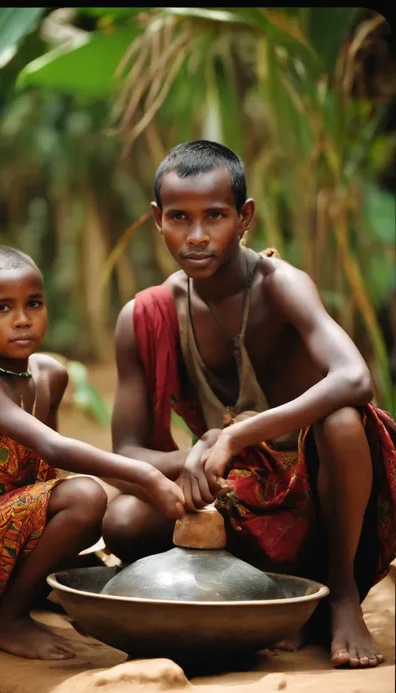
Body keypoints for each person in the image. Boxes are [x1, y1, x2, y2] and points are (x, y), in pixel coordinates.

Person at [102, 140, 396, 669]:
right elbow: (126, 451)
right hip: (234, 489)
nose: (196, 235)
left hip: (319, 487)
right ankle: (261, 597)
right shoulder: (145, 316)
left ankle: (340, 596)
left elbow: (355, 378)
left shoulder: (281, 285)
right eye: (179, 217)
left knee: (345, 422)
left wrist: (236, 435)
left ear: (245, 217)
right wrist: (193, 459)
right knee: (122, 521)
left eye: (215, 215)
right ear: (157, 220)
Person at [0, 245, 185, 661]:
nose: (23, 318)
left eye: (34, 304)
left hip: (11, 545)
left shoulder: (51, 375)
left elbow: (50, 474)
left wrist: (154, 486)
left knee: (103, 564)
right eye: (3, 308)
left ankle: (41, 592)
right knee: (86, 497)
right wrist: (146, 475)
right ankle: (6, 620)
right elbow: (52, 446)